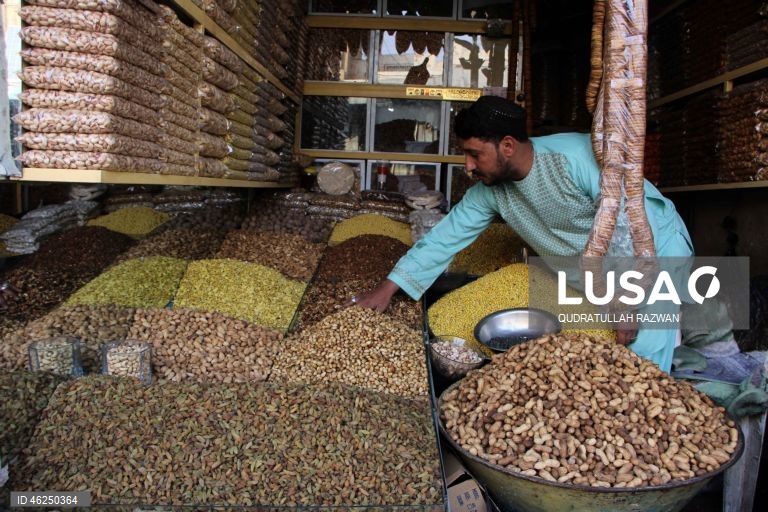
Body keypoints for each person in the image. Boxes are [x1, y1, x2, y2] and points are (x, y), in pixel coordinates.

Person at [351, 95, 694, 373]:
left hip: (651, 251)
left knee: (642, 358)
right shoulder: (489, 192)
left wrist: (628, 299)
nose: (467, 166)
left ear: (508, 146)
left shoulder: (574, 157)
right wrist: (389, 287)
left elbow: (628, 221)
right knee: (605, 354)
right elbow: (444, 238)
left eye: (474, 154)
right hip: (595, 271)